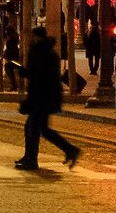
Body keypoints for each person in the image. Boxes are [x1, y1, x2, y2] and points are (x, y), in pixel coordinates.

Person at [15, 26, 80, 173]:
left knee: (34, 127)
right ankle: (32, 156)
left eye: (33, 36)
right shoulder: (47, 52)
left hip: (42, 97)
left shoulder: (40, 53)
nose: (31, 39)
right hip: (45, 96)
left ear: (38, 38)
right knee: (38, 128)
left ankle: (32, 159)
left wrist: (23, 71)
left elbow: (38, 77)